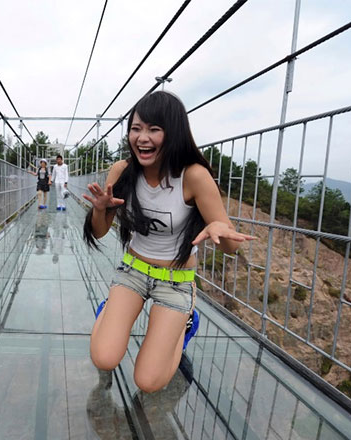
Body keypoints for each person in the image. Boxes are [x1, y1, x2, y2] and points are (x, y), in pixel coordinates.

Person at [82, 91, 255, 393]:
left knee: (148, 382)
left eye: (154, 129)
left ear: (173, 132)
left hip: (176, 282)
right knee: (104, 358)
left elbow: (231, 247)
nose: (142, 138)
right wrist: (100, 210)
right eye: (136, 129)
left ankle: (184, 326)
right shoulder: (123, 171)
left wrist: (218, 226)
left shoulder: (194, 176)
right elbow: (98, 232)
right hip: (132, 272)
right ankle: (109, 310)